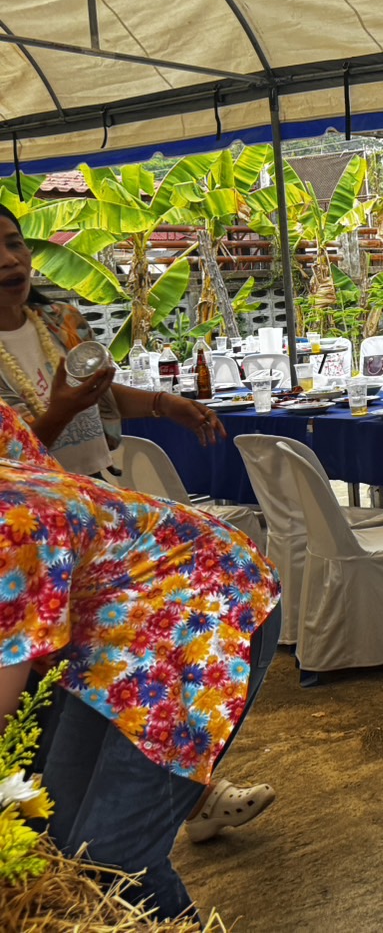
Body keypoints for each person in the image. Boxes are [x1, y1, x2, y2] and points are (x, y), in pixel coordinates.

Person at [0, 398, 280, 918]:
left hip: (201, 606)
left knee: (113, 857)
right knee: (55, 836)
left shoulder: (9, 525)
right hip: (103, 627)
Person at [0, 204, 226, 476]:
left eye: (14, 244)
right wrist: (61, 412)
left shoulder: (63, 320)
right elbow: (12, 461)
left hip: (101, 488)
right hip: (36, 507)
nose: (9, 260)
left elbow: (100, 393)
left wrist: (163, 403)